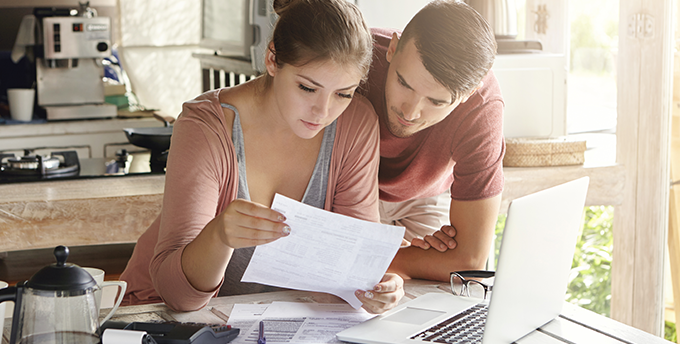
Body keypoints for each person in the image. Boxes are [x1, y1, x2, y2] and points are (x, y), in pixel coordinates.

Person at [119, 0, 404, 314]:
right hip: (161, 313)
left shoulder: (356, 124)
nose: (323, 112)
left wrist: (376, 288)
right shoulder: (205, 126)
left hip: (273, 320)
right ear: (272, 60)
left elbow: (351, 268)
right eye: (308, 88)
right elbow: (179, 298)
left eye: (343, 94)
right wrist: (219, 236)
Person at [361, 0, 505, 281]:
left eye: (436, 101)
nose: (409, 112)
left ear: (468, 95)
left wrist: (373, 256)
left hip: (423, 198)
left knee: (437, 298)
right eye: (404, 83)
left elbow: (469, 262)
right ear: (392, 49)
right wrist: (390, 256)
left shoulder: (482, 108)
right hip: (345, 192)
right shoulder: (355, 56)